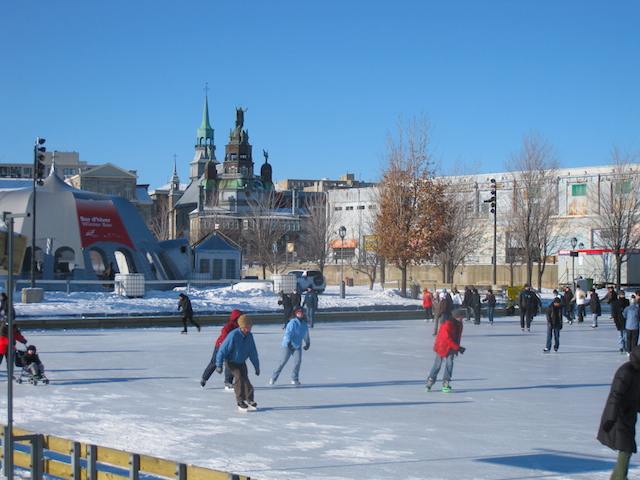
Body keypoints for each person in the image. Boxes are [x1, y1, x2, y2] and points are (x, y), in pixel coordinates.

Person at [597, 344, 640, 480]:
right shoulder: (627, 371)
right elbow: (616, 396)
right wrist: (611, 418)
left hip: (628, 416)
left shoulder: (637, 372)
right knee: (626, 448)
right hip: (618, 416)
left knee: (626, 448)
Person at [215, 315, 260, 412]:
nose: (251, 327)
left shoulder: (249, 336)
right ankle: (240, 401)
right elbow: (222, 350)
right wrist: (219, 365)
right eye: (249, 325)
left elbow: (253, 351)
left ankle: (250, 399)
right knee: (239, 378)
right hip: (231, 361)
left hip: (241, 361)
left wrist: (256, 366)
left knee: (246, 380)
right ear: (243, 326)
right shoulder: (233, 335)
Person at [200, 309, 243, 388]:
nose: (240, 319)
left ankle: (228, 382)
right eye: (239, 317)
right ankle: (204, 378)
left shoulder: (240, 327)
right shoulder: (228, 326)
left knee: (230, 363)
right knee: (214, 363)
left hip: (232, 348)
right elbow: (225, 337)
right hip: (220, 346)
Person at [425, 308, 465, 392]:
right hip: (441, 346)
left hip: (451, 346)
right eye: (461, 316)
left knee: (450, 363)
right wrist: (458, 347)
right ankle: (431, 380)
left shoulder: (459, 325)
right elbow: (447, 338)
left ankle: (446, 381)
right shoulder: (447, 325)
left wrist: (457, 347)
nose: (463, 318)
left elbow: (457, 337)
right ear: (457, 317)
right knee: (438, 364)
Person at [270, 308, 310, 387]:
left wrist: (307, 342)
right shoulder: (292, 323)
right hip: (288, 345)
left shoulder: (304, 324)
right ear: (296, 314)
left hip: (297, 345)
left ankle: (294, 379)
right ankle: (273, 378)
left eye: (301, 313)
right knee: (282, 362)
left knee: (297, 362)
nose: (300, 315)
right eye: (299, 313)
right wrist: (288, 342)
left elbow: (306, 334)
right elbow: (288, 333)